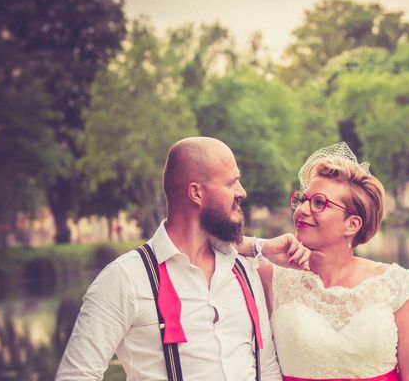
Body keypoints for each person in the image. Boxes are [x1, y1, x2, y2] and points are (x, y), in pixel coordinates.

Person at [56, 137, 308, 381]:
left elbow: (267, 370)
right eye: (231, 183)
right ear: (196, 193)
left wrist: (259, 247)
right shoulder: (125, 279)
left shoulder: (244, 270)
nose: (241, 192)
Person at [252, 142, 409, 381]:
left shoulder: (395, 287)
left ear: (352, 224)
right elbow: (204, 248)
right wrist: (258, 246)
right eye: (303, 200)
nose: (303, 210)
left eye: (319, 203)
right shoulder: (269, 278)